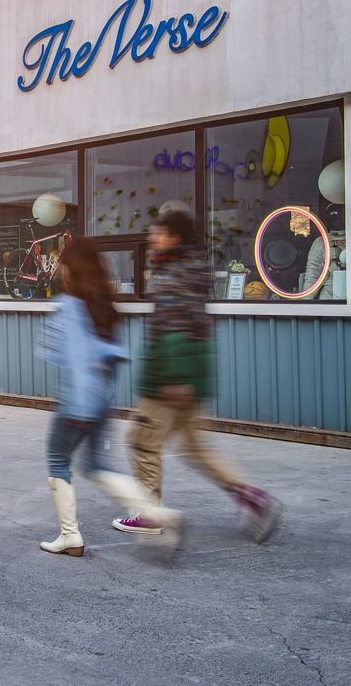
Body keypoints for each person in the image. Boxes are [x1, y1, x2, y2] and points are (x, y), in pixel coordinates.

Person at [113, 210, 282, 542]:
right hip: (192, 375)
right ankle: (254, 499)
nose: (151, 238)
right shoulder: (190, 269)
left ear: (173, 237)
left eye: (157, 232)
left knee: (142, 442)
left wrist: (174, 379)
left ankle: (150, 514)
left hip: (169, 380)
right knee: (195, 449)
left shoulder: (173, 275)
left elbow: (175, 329)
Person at [37, 237, 178, 557]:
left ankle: (70, 536)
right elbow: (114, 356)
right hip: (102, 399)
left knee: (58, 459)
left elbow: (68, 356)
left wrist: (77, 404)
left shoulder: (69, 307)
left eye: (63, 264)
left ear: (71, 269)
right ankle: (155, 512)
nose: (60, 271)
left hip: (77, 401)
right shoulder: (105, 307)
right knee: (97, 464)